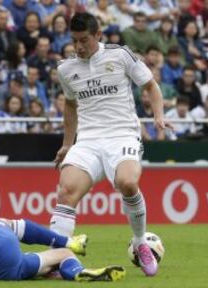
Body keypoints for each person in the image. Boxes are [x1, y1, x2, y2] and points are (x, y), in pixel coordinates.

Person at [52, 12, 172, 277]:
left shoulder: (120, 55)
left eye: (84, 40)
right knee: (66, 191)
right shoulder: (65, 68)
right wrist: (66, 144)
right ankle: (55, 260)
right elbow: (70, 106)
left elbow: (150, 86)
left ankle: (140, 242)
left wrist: (158, 116)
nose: (79, 46)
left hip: (122, 135)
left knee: (128, 183)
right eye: (74, 41)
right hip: (89, 140)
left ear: (98, 36)